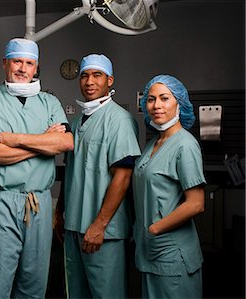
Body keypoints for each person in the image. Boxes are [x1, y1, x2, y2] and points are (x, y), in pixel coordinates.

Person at [0, 38, 74, 298]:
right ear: (5, 64)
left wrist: (11, 138)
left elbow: (65, 142)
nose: (23, 68)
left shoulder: (49, 103)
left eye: (29, 63)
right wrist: (43, 142)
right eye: (17, 61)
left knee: (34, 281)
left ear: (36, 68)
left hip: (40, 202)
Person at [55, 53, 141, 298]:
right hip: (73, 224)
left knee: (106, 293)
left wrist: (99, 225)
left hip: (103, 230)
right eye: (84, 76)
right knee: (75, 291)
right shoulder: (75, 122)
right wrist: (60, 212)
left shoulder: (120, 120)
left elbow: (122, 178)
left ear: (109, 80)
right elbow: (70, 171)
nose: (89, 81)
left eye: (97, 75)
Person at [132, 74, 205, 298]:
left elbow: (196, 204)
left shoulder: (185, 145)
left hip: (172, 253)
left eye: (164, 98)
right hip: (150, 251)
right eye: (151, 100)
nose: (156, 106)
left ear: (179, 103)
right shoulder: (153, 144)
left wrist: (155, 229)